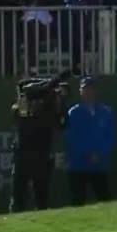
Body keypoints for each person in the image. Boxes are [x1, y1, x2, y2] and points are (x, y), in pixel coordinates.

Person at [10, 72, 69, 212]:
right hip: (23, 156)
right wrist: (52, 83)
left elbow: (62, 124)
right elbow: (24, 88)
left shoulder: (48, 110)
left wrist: (61, 102)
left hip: (42, 156)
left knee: (42, 199)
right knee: (18, 197)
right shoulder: (22, 107)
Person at [65, 77, 117, 206]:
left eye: (90, 89)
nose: (88, 93)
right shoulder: (73, 113)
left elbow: (110, 137)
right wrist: (88, 154)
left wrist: (100, 154)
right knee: (78, 201)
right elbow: (71, 138)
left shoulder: (106, 112)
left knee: (104, 200)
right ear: (80, 92)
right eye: (85, 90)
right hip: (78, 165)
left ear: (95, 91)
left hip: (100, 165)